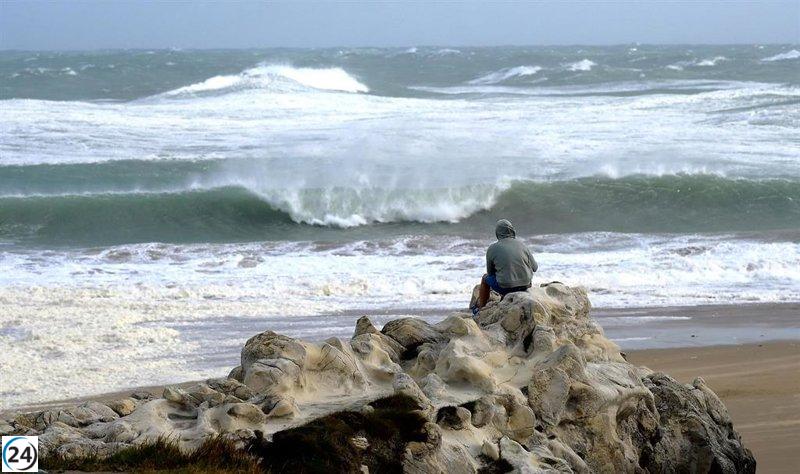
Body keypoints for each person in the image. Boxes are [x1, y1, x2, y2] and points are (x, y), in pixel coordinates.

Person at [471, 219, 538, 314]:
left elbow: (490, 273)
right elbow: (535, 268)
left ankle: (481, 309)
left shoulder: (492, 248)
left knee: (485, 279)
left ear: (497, 233)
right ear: (512, 230)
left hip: (506, 288)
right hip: (526, 285)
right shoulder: (522, 245)